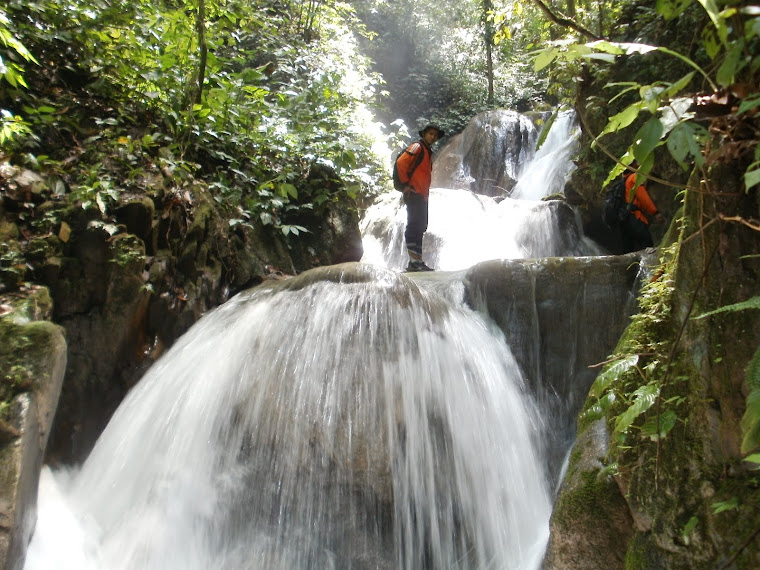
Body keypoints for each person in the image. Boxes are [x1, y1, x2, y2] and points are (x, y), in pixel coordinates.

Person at [396, 124, 444, 272]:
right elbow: (401, 162)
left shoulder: (427, 151)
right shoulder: (417, 147)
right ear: (424, 134)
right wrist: (405, 184)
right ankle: (414, 262)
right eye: (430, 134)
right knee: (414, 226)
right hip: (414, 193)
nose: (433, 137)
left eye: (435, 135)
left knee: (420, 227)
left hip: (422, 195)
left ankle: (417, 261)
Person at [620, 166, 666, 253]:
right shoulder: (634, 177)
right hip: (634, 217)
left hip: (623, 219)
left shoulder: (623, 181)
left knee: (627, 251)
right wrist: (655, 212)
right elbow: (643, 197)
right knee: (648, 244)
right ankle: (650, 266)